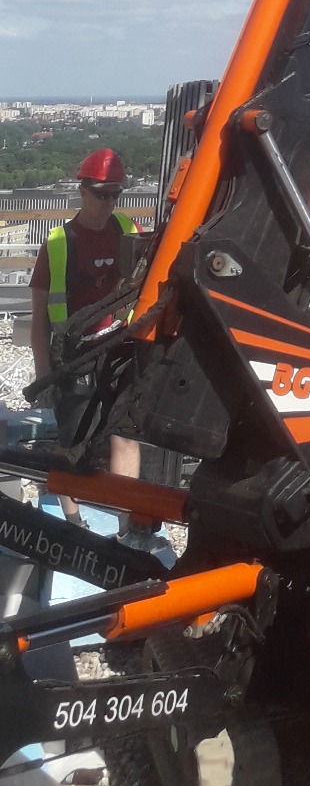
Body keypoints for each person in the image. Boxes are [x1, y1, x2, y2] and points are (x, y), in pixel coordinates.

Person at [29, 150, 144, 519]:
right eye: (103, 194)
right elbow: (39, 319)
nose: (110, 203)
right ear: (83, 191)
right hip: (74, 355)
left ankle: (126, 523)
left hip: (119, 346)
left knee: (125, 435)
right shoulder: (59, 244)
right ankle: (75, 523)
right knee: (73, 443)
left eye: (116, 194)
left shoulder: (130, 232)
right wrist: (44, 373)